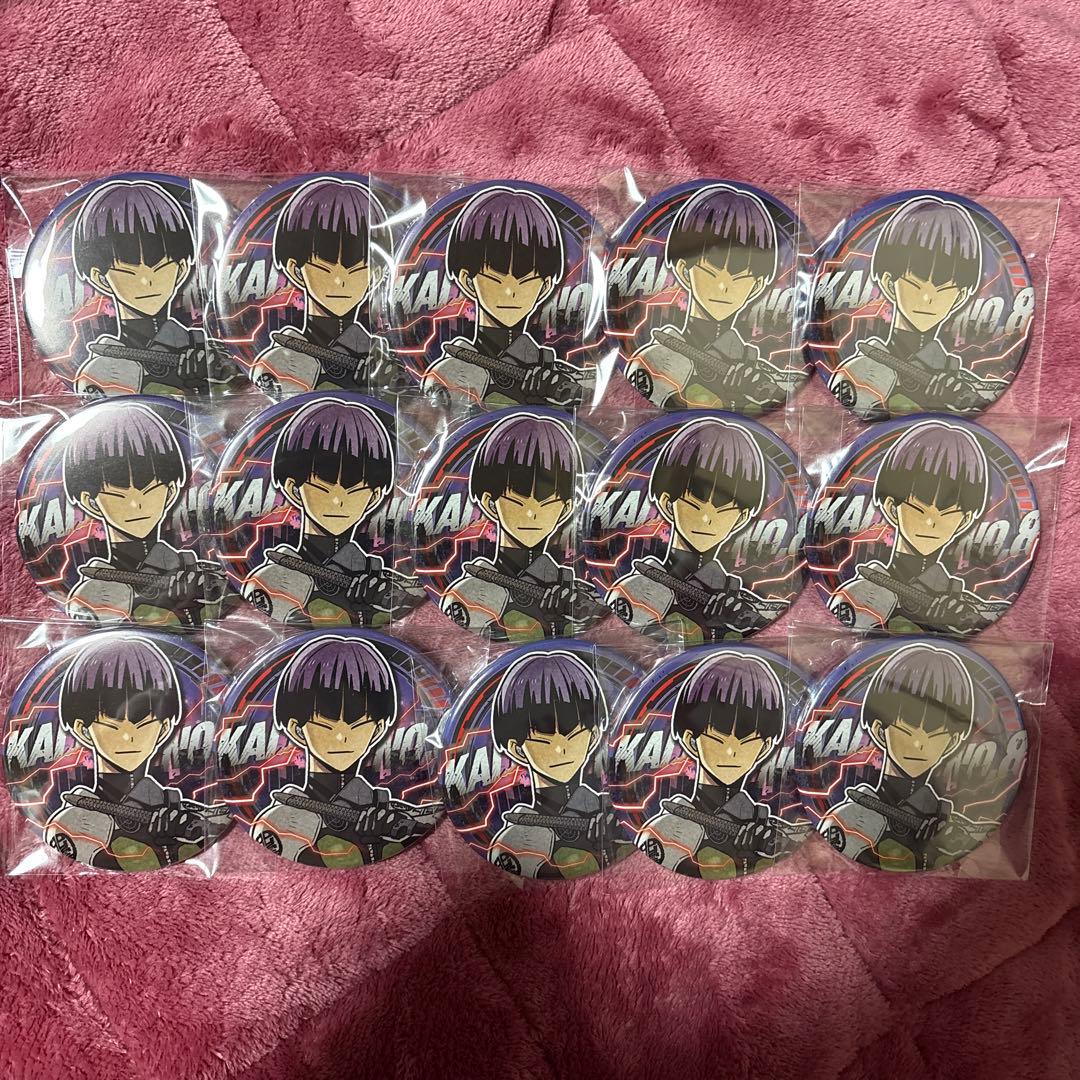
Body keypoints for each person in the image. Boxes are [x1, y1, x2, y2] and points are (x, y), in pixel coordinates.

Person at [251, 636, 440, 866]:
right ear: (296, 729)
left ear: (378, 729)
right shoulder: (284, 819)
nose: (342, 736)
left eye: (357, 723)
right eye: (326, 724)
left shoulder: (390, 810)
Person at [44, 634, 226, 870]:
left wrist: (182, 837)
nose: (127, 737)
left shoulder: (179, 809)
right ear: (83, 730)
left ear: (164, 729)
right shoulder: (73, 822)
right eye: (112, 725)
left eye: (143, 724)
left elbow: (222, 816)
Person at [243, 398, 423, 627]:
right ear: (293, 489)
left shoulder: (377, 573)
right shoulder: (277, 577)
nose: (338, 500)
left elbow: (419, 592)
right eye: (323, 485)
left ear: (375, 496)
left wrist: (382, 603)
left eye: (354, 487)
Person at [818, 643, 996, 871]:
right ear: (879, 730)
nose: (919, 743)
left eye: (935, 732)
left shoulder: (949, 819)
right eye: (908, 728)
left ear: (952, 742)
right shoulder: (854, 816)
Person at [606, 417, 785, 643]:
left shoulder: (736, 597)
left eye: (724, 505)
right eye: (695, 500)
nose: (706, 518)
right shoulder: (641, 588)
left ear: (741, 519)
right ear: (667, 503)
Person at [625, 184, 796, 411]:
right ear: (684, 271)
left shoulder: (754, 365)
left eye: (739, 274)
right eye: (711, 269)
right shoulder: (658, 358)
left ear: (757, 286)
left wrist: (753, 398)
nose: (723, 286)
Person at [828, 195, 999, 419]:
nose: (928, 298)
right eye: (915, 284)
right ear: (889, 283)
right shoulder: (862, 370)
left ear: (960, 297)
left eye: (944, 288)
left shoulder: (959, 379)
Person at [421, 186, 589, 410]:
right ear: (467, 281)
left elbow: (592, 399)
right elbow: (450, 420)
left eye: (526, 279)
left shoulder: (554, 371)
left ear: (545, 287)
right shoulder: (452, 372)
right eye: (495, 278)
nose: (511, 292)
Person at [63, 400, 225, 626]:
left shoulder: (190, 567)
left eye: (149, 489)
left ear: (170, 492)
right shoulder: (97, 592)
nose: (135, 505)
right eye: (118, 494)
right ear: (90, 502)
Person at [828, 420, 996, 634]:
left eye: (947, 512)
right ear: (891, 508)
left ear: (964, 521)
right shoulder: (863, 593)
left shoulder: (964, 603)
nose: (931, 522)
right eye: (919, 508)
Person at [637, 652, 795, 878]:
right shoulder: (670, 827)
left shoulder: (768, 825)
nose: (731, 751)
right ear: (691, 741)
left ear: (765, 747)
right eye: (718, 738)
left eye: (747, 740)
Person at [441, 413, 597, 640]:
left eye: (546, 501)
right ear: (490, 503)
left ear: (565, 509)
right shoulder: (471, 592)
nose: (532, 513)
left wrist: (560, 622)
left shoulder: (570, 584)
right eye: (518, 500)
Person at [71, 178, 229, 398]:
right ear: (100, 278)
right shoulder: (104, 369)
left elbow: (240, 387)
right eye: (129, 269)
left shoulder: (202, 344)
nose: (146, 281)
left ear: (182, 269)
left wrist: (214, 376)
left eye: (160, 266)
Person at [250, 177, 402, 397]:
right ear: (296, 270)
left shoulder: (380, 352)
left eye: (355, 267)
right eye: (325, 266)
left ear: (375, 275)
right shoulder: (284, 360)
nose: (340, 280)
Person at [488, 651, 613, 879]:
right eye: (543, 734)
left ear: (593, 736)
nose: (559, 748)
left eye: (571, 730)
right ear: (517, 749)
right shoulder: (521, 836)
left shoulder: (609, 809)